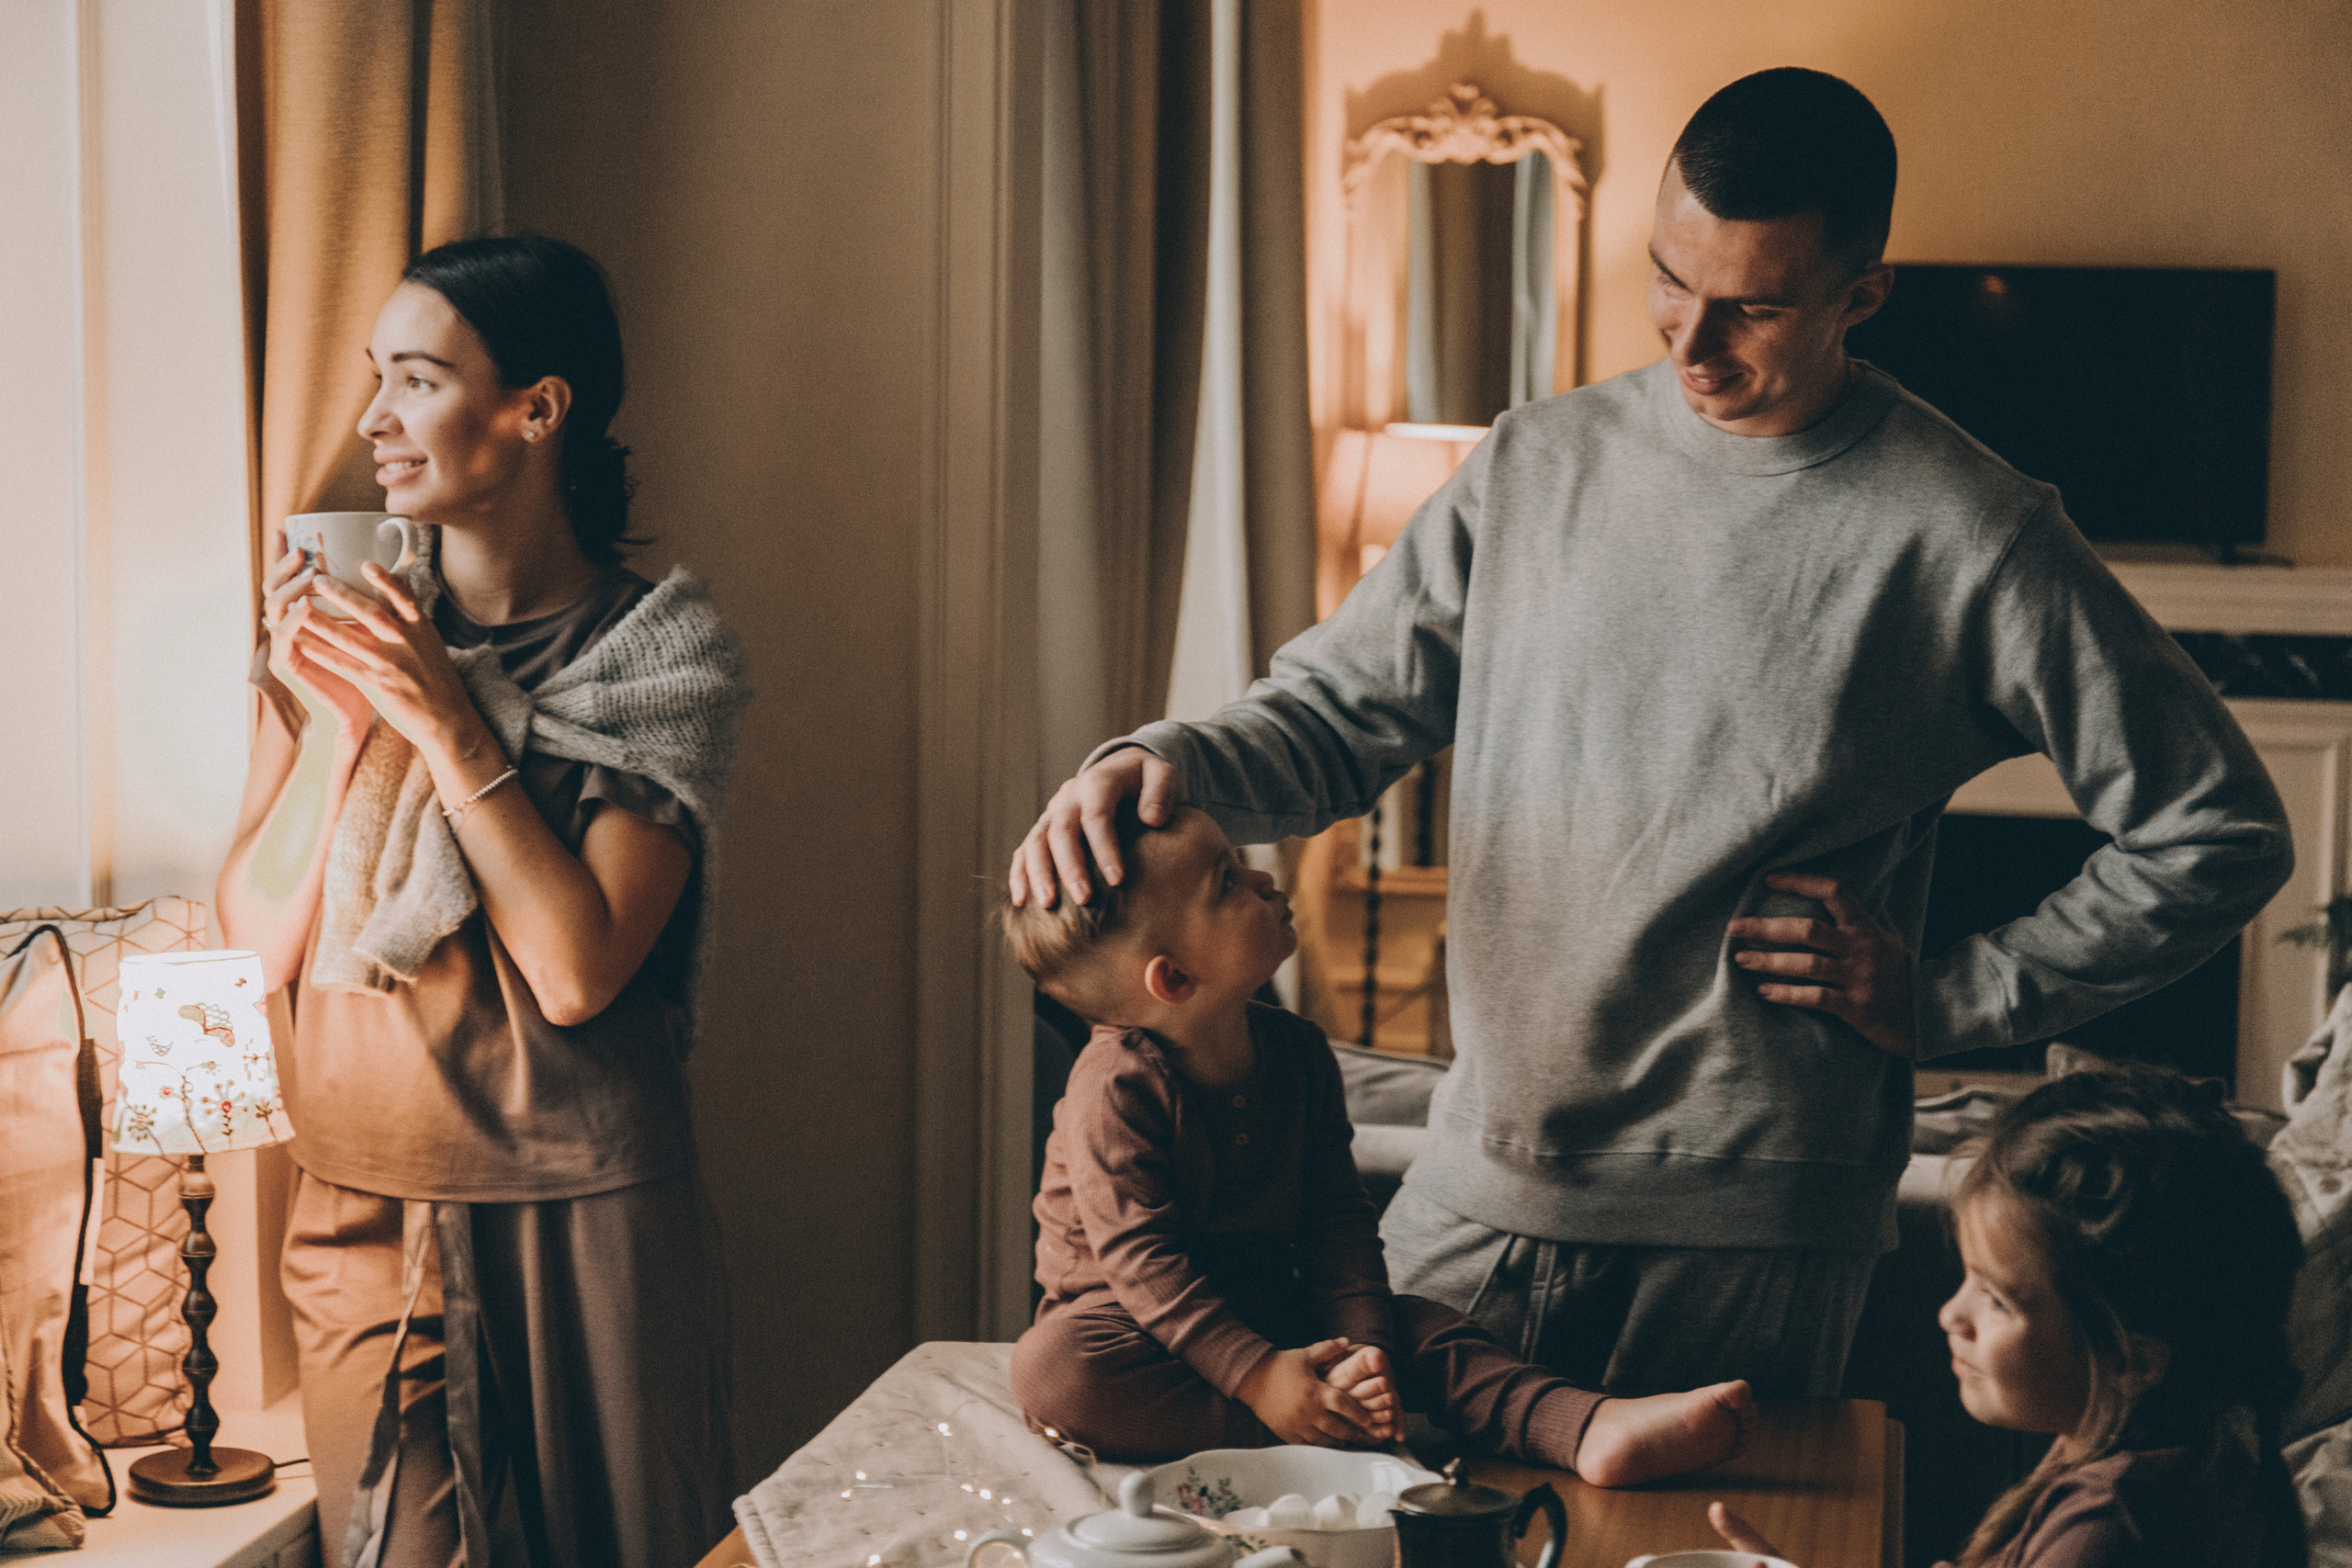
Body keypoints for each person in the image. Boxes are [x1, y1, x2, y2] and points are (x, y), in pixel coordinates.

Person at [1008, 66, 2292, 1400]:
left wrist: (1952, 994)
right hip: (1475, 1181)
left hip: (1756, 1234)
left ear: (1862, 294)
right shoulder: (1532, 464)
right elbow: (1335, 716)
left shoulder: (1973, 533)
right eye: (1670, 282)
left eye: (1755, 307)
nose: (1693, 344)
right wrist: (1161, 762)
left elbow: (2218, 830)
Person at [217, 235, 750, 1568]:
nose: (372, 422)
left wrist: (449, 723)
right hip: (357, 1200)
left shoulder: (657, 656)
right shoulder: (347, 630)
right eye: (374, 378)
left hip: (588, 1197)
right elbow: (253, 944)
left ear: (536, 408)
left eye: (415, 379)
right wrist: (341, 725)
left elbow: (577, 970)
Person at [1002, 803, 1758, 1482]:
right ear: (1173, 977)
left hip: (1269, 1307)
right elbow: (1144, 1265)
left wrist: (1367, 1351)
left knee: (1427, 1326)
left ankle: (1586, 1427)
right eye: (1227, 880)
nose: (1263, 878)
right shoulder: (1116, 1086)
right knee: (1055, 1372)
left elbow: (1337, 1217)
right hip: (1137, 1325)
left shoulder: (1299, 1053)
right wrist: (1263, 1380)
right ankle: (1308, 1427)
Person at [1713, 1066, 2308, 1566]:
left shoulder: (2107, 1531)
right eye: (1967, 1279)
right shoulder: (2164, 1441)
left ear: (2130, 1357)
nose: (1951, 1314)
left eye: (1997, 1299)